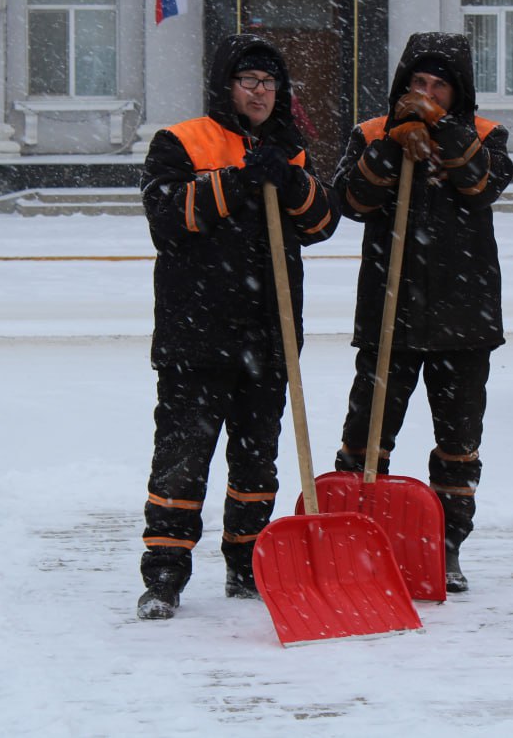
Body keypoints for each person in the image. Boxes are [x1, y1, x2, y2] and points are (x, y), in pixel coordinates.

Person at [136, 34, 340, 620]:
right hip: (195, 337)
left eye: (270, 82)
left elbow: (322, 222)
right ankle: (165, 578)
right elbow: (169, 215)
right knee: (182, 459)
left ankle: (246, 566)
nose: (260, 91)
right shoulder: (181, 141)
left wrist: (290, 180)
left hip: (268, 338)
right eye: (249, 80)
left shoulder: (290, 150)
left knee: (256, 463)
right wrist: (237, 182)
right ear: (226, 85)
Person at [330, 32, 513, 593]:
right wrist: (393, 141)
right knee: (367, 437)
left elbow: (481, 184)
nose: (424, 94)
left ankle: (448, 544)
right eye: (416, 84)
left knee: (458, 443)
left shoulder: (484, 134)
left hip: (464, 318)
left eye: (437, 86)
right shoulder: (370, 133)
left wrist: (441, 129)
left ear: (457, 93)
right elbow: (351, 200)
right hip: (391, 315)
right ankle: (353, 537)